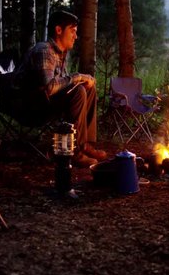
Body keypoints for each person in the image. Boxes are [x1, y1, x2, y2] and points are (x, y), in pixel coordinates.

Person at [13, 10, 106, 167]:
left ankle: (84, 145)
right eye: (73, 31)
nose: (75, 36)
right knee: (78, 90)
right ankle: (73, 151)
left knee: (87, 88)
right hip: (30, 106)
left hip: (46, 101)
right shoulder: (44, 50)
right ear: (58, 30)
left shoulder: (62, 53)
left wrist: (80, 80)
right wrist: (77, 77)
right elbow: (49, 87)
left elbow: (63, 84)